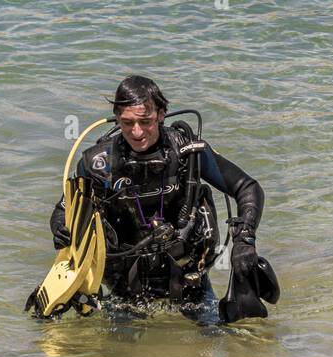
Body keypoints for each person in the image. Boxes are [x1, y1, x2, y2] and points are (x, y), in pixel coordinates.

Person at [49, 74, 265, 312]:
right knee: (114, 349)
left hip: (187, 276)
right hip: (125, 283)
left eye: (146, 121)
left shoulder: (186, 152)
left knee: (220, 340)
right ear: (117, 119)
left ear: (161, 114)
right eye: (127, 123)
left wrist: (244, 240)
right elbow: (64, 209)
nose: (137, 132)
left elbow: (247, 187)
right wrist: (61, 228)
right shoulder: (97, 163)